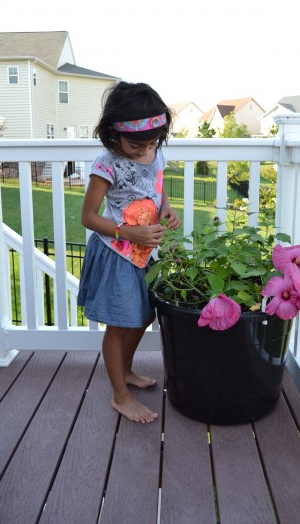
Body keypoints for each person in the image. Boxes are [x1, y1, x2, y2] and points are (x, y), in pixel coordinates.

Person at [78, 81, 180, 424]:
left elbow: (158, 186)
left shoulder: (155, 149)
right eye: (136, 144)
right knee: (120, 325)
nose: (144, 151)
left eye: (151, 143)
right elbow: (88, 217)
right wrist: (128, 231)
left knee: (144, 315)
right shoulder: (106, 164)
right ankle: (120, 395)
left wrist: (167, 207)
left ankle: (125, 370)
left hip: (145, 255)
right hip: (117, 254)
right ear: (113, 134)